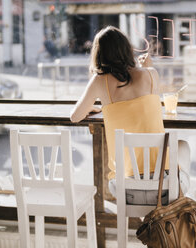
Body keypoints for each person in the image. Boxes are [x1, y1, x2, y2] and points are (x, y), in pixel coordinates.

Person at [70, 26, 189, 205]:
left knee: (130, 164)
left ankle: (147, 221)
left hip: (127, 189)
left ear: (98, 54)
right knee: (183, 147)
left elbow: (75, 117)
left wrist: (93, 108)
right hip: (165, 190)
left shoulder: (99, 81)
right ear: (127, 49)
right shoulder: (151, 75)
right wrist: (147, 68)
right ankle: (161, 218)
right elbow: (141, 94)